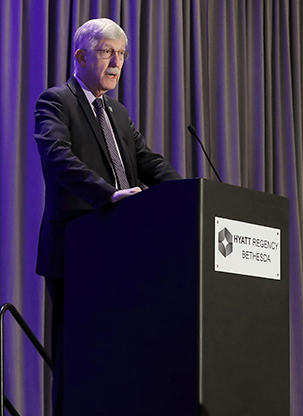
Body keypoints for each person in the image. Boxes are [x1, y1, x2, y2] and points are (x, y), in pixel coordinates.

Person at [34, 18, 182, 415]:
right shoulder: (56, 101)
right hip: (77, 248)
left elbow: (146, 160)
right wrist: (107, 194)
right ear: (80, 56)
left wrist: (189, 193)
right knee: (76, 353)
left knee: (118, 352)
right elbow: (57, 158)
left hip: (122, 248)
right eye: (107, 52)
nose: (116, 62)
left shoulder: (116, 112)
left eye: (121, 54)